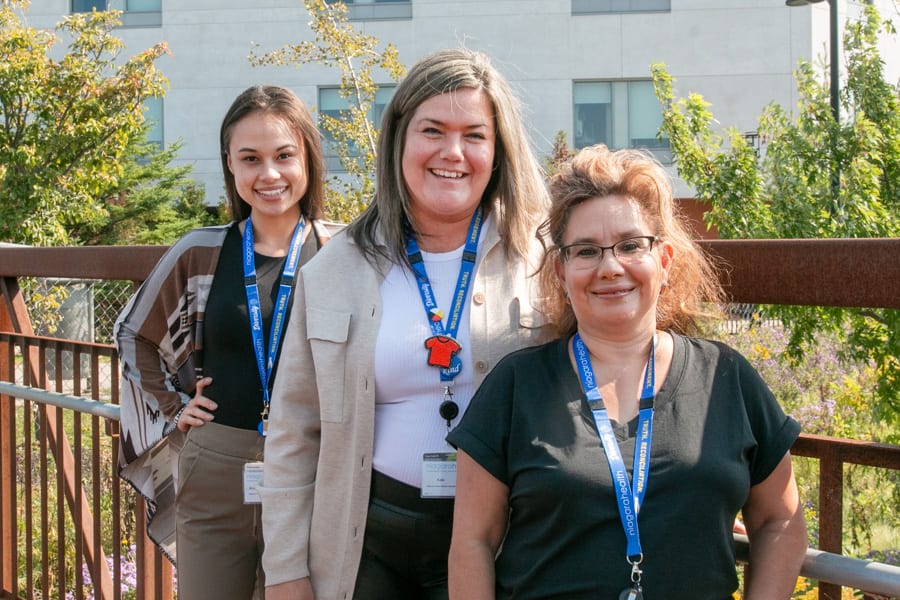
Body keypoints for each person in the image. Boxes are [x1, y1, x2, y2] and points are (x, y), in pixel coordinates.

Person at [447, 144, 808, 600]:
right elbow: (472, 542)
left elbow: (781, 520)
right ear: (560, 269)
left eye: (631, 245)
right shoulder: (516, 386)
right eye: (586, 251)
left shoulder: (726, 379)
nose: (610, 267)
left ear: (665, 260)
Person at [259, 48, 552, 600]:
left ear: (499, 148)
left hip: (510, 537)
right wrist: (286, 572)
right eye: (433, 130)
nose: (453, 152)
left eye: (474, 135)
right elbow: (294, 432)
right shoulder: (333, 270)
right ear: (399, 139)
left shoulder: (544, 258)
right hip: (369, 540)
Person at [116, 85, 335, 599]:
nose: (269, 174)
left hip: (314, 468)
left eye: (285, 156)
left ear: (308, 159)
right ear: (231, 167)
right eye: (250, 159)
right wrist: (174, 407)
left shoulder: (340, 251)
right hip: (217, 463)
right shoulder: (201, 250)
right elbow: (133, 334)